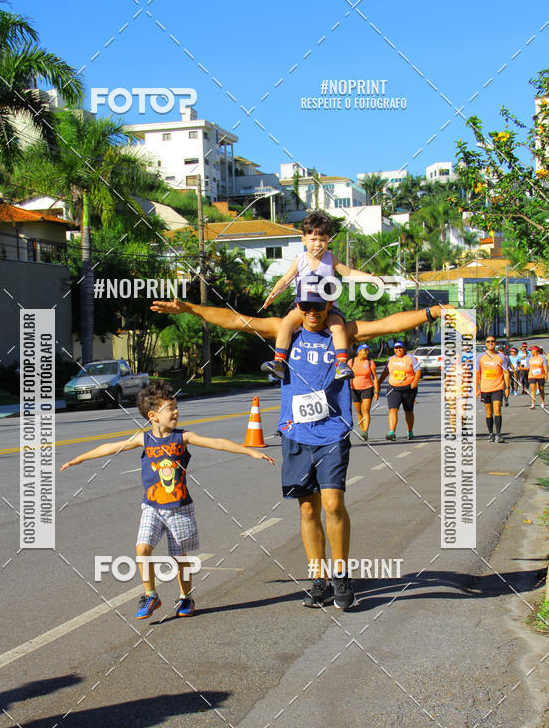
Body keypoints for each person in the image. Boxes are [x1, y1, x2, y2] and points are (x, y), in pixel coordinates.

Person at [152, 294, 447, 611]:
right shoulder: (286, 331)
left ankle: (341, 575)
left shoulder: (343, 332)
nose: (310, 313)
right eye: (304, 307)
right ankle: (319, 581)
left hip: (332, 431)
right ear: (297, 308)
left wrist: (432, 312)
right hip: (296, 432)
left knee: (333, 504)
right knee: (308, 510)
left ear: (329, 307)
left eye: (317, 307)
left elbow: (388, 323)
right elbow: (237, 320)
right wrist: (192, 308)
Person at [61, 379, 274, 619]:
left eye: (176, 406)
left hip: (179, 508)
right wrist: (79, 459)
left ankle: (186, 597)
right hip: (152, 506)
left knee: (179, 558)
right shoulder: (144, 439)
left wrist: (251, 451)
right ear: (153, 415)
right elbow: (110, 447)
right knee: (142, 548)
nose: (176, 412)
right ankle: (151, 595)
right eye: (170, 408)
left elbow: (217, 443)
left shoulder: (182, 437)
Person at [260, 211, 375, 381]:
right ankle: (279, 363)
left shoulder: (331, 258)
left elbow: (349, 272)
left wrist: (369, 278)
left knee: (338, 327)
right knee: (286, 324)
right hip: (304, 306)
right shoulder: (300, 260)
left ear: (328, 241)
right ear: (304, 240)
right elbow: (285, 279)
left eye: (323, 240)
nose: (318, 244)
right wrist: (273, 294)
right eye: (313, 240)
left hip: (326, 306)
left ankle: (341, 364)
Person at [378, 342, 422, 441]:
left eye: (400, 348)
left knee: (408, 410)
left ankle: (409, 431)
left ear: (404, 348)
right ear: (394, 349)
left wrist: (415, 381)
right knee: (392, 410)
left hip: (408, 388)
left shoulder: (410, 358)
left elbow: (418, 371)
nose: (398, 350)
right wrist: (379, 382)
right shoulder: (391, 359)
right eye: (396, 348)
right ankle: (392, 432)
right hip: (393, 388)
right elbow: (385, 372)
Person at [475, 335, 510, 442]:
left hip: (498, 387)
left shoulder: (501, 357)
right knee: (489, 412)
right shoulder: (480, 357)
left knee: (497, 410)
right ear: (485, 343)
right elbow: (477, 373)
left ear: (495, 343)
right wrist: (476, 388)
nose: (490, 343)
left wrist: (507, 387)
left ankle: (498, 435)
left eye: (493, 341)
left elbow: (506, 372)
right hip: (485, 388)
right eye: (488, 341)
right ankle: (491, 433)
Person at [349, 343, 379, 441]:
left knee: (365, 410)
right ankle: (362, 430)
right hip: (354, 388)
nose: (367, 352)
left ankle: (365, 431)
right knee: (358, 411)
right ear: (359, 351)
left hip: (367, 387)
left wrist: (376, 391)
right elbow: (345, 375)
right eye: (365, 350)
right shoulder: (352, 361)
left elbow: (374, 377)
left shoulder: (370, 362)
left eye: (367, 350)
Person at [527, 344, 547, 409]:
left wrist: (546, 375)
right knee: (533, 389)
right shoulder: (529, 358)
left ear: (535, 350)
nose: (531, 352)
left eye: (532, 350)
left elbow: (545, 367)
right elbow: (528, 368)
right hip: (532, 375)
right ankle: (533, 404)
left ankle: (543, 402)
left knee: (541, 389)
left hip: (540, 375)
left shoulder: (542, 357)